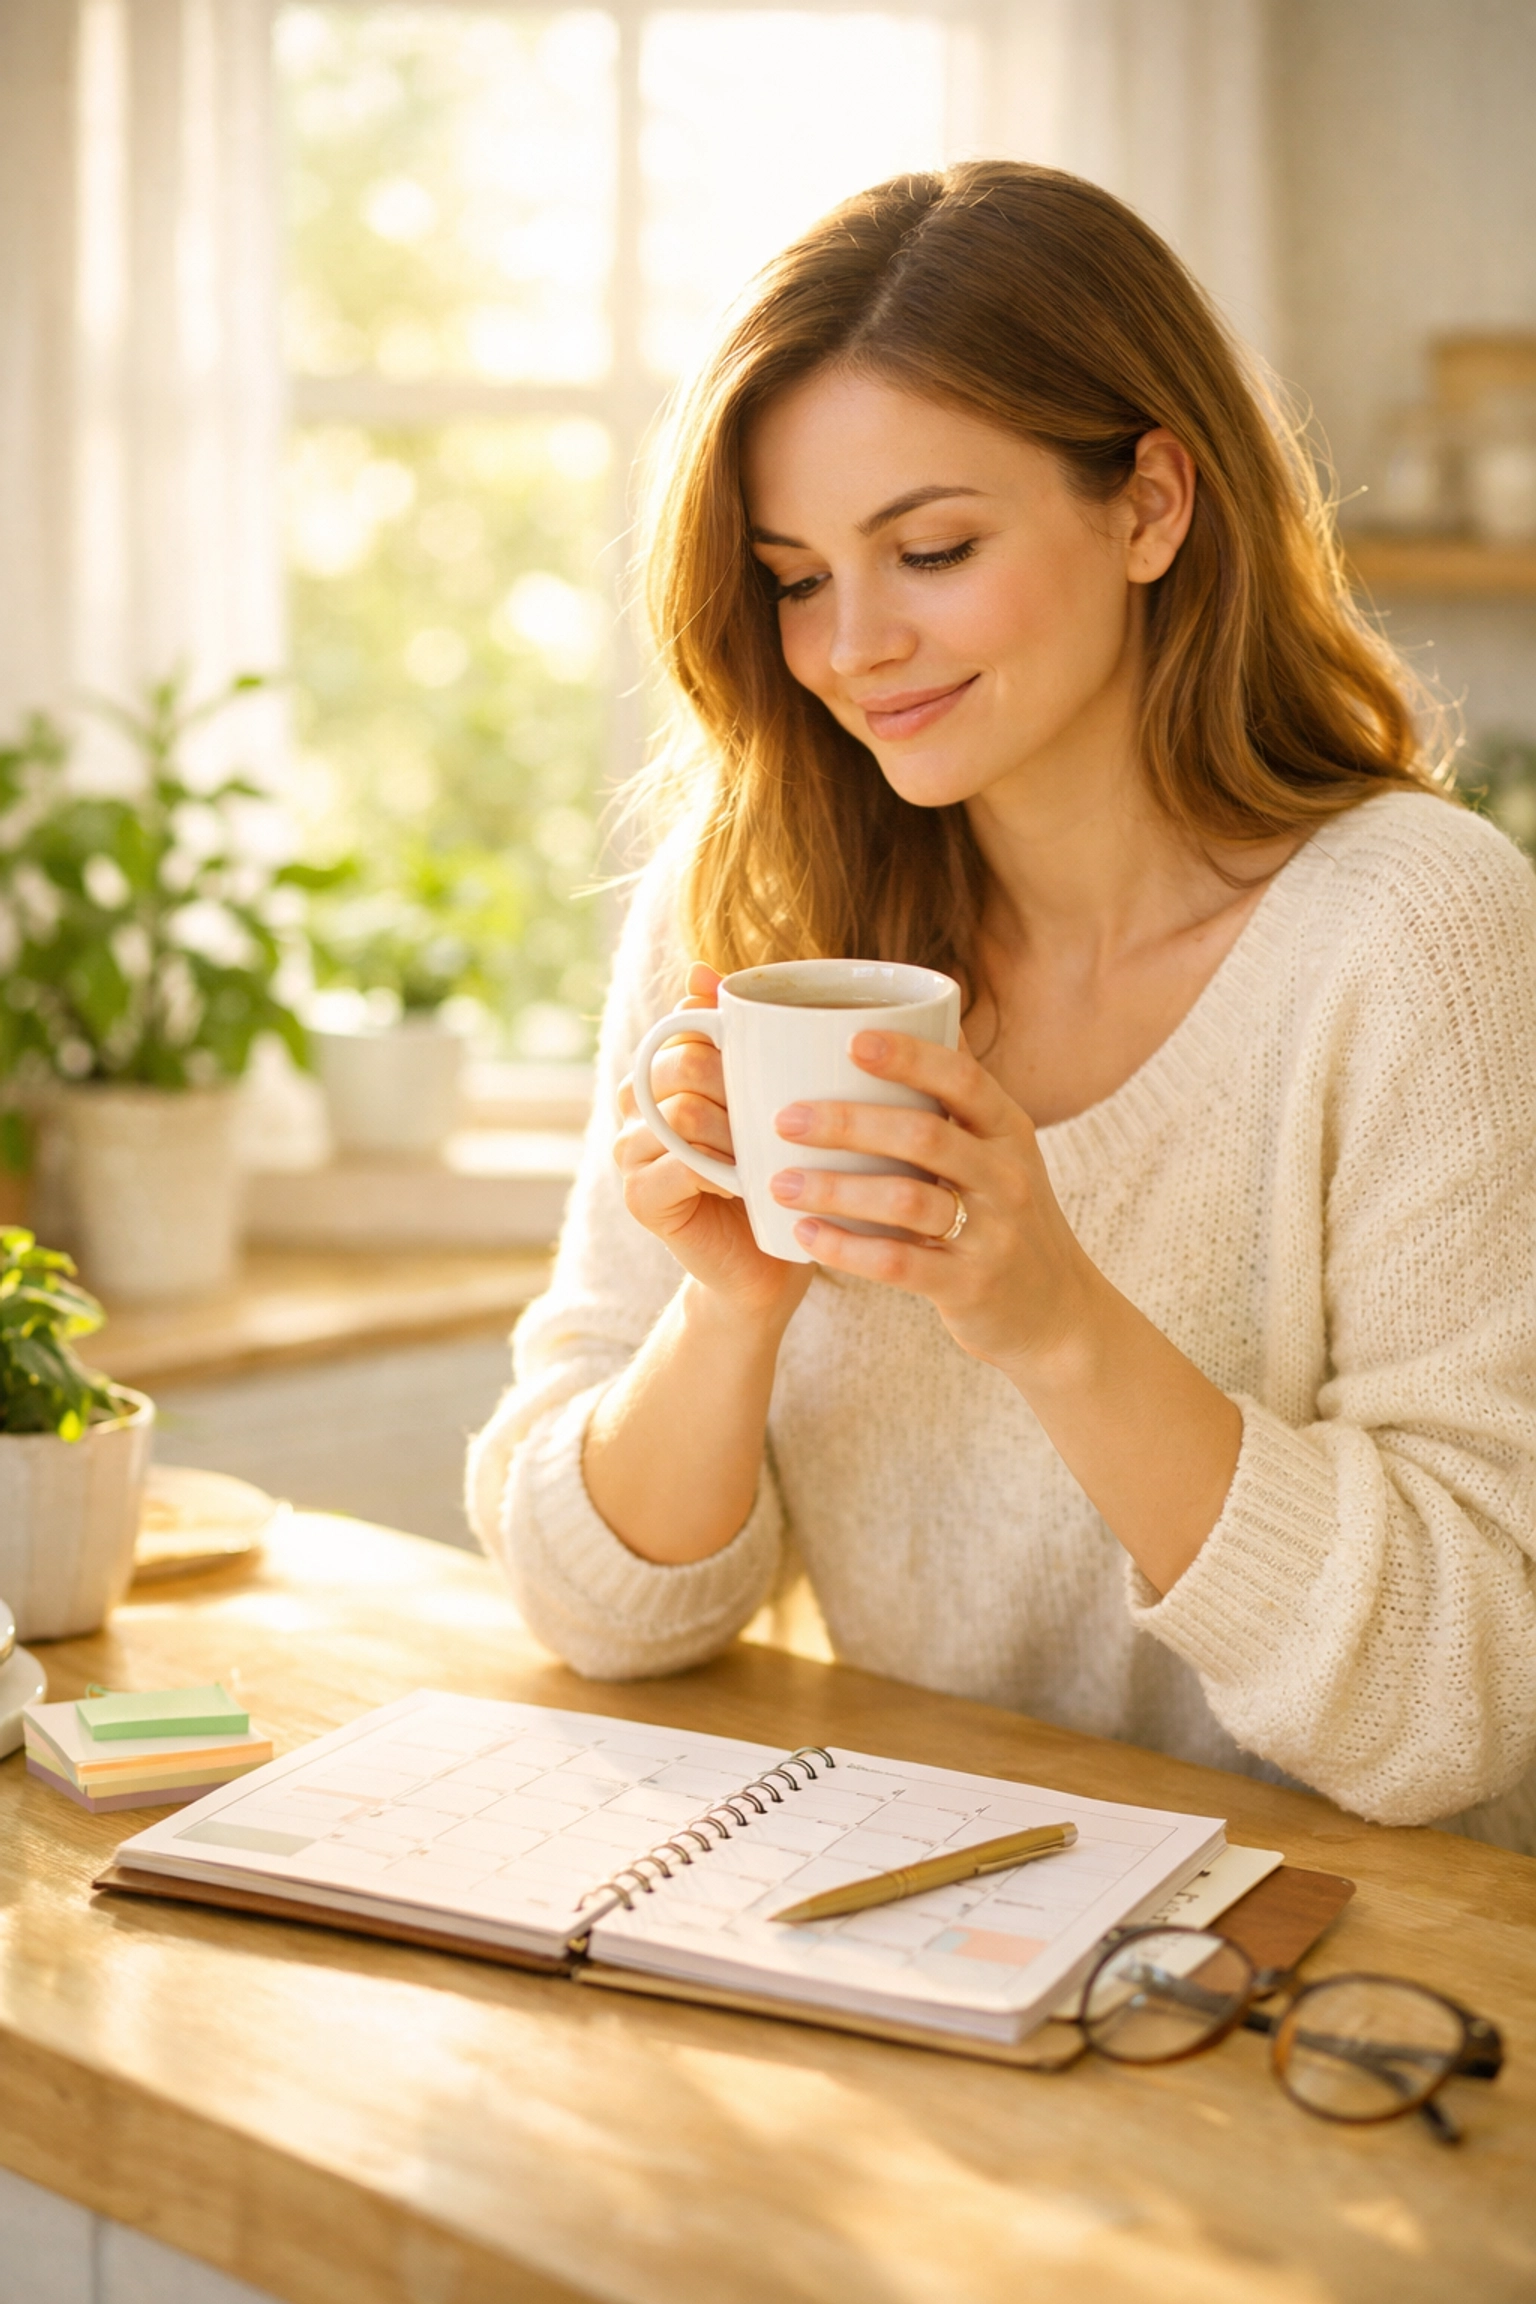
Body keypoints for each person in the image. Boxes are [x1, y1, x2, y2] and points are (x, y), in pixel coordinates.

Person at [468, 163, 1536, 1850]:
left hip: (1327, 1975)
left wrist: (1051, 1315)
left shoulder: (1414, 932)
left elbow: (1458, 1697)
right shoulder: (750, 905)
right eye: (797, 576)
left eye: (935, 550)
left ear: (1152, 506)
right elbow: (601, 1610)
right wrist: (729, 1315)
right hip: (891, 1913)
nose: (853, 647)